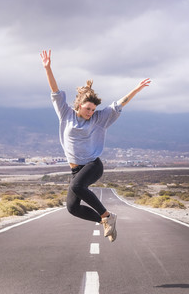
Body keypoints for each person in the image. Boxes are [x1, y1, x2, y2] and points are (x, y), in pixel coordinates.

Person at [40, 49, 150, 242]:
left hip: (92, 165)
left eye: (93, 109)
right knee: (72, 208)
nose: (91, 112)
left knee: (77, 186)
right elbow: (55, 92)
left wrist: (136, 89)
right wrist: (48, 68)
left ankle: (107, 216)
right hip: (76, 169)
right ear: (79, 105)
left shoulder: (99, 118)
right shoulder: (66, 114)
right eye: (88, 108)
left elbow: (119, 104)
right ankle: (105, 220)